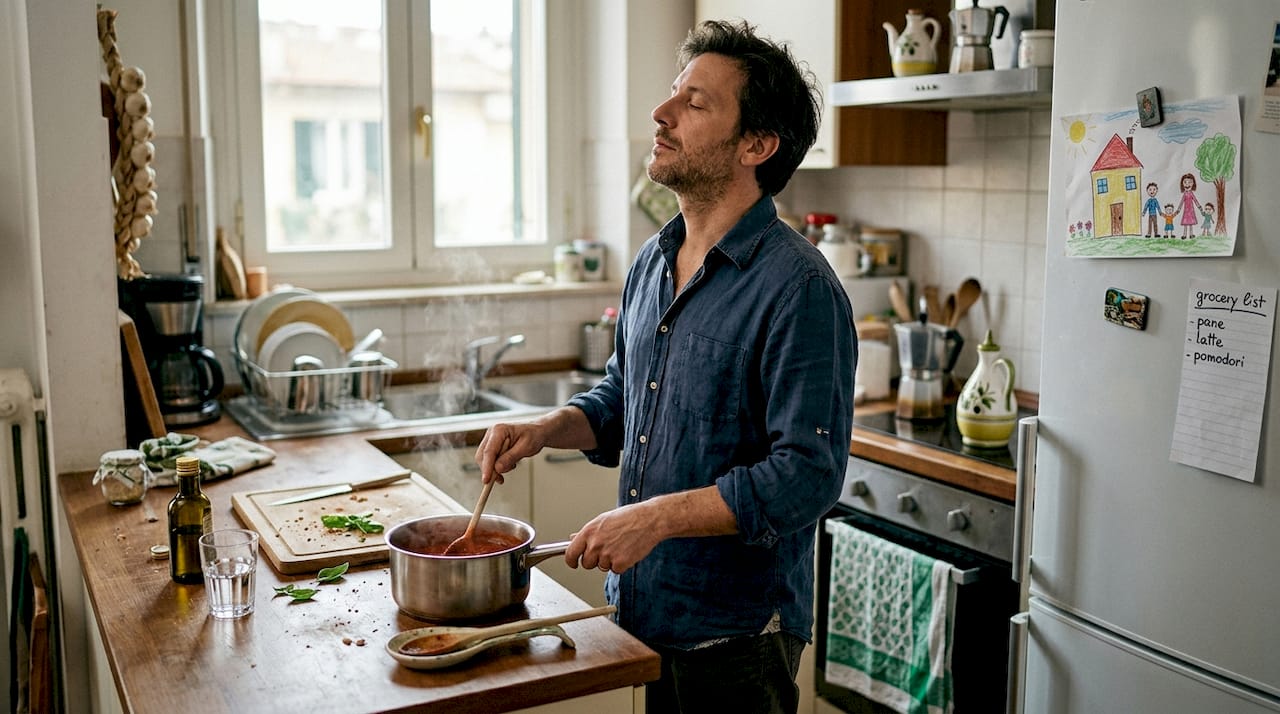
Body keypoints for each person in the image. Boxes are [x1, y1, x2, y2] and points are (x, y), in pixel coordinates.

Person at [475, 19, 857, 714]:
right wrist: (550, 427)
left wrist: (656, 519)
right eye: (673, 93)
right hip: (647, 611)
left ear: (757, 145)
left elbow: (807, 475)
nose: (662, 113)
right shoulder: (654, 259)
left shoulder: (798, 289)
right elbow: (628, 398)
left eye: (696, 103)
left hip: (736, 635)